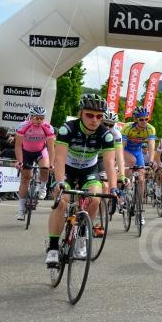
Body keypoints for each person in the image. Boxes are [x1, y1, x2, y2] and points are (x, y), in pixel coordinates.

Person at [45, 94, 117, 267]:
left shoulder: (105, 135)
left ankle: (82, 237)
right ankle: (53, 247)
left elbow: (108, 162)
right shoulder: (67, 129)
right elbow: (59, 158)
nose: (94, 120)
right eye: (90, 115)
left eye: (99, 116)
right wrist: (60, 181)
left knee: (95, 198)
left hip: (88, 171)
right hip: (67, 170)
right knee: (62, 201)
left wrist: (114, 188)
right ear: (80, 113)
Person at [14, 106, 55, 220]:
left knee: (45, 167)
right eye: (36, 118)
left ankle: (42, 187)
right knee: (25, 179)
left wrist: (51, 163)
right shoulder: (23, 126)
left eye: (41, 118)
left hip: (40, 151)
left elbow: (51, 148)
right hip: (26, 152)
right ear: (31, 117)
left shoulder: (48, 128)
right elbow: (17, 146)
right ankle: (21, 210)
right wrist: (20, 161)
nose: (39, 121)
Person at [121, 106, 156, 224]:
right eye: (141, 119)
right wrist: (121, 160)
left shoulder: (150, 129)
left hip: (138, 152)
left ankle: (139, 206)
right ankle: (127, 187)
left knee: (141, 179)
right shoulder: (127, 128)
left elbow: (151, 145)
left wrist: (151, 161)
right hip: (126, 150)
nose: (144, 122)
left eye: (146, 119)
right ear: (136, 119)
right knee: (131, 162)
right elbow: (122, 144)